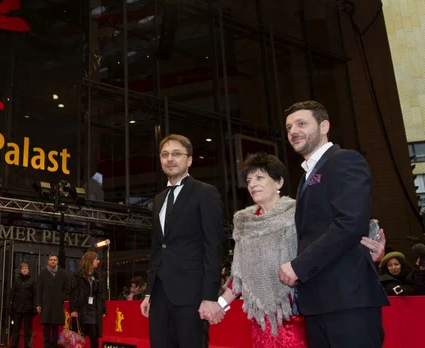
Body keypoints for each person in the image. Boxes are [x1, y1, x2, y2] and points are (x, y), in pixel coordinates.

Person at [218, 153, 386, 347]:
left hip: (298, 311)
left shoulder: (299, 212)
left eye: (259, 177)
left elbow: (335, 238)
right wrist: (220, 304)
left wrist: (369, 250)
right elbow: (239, 276)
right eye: (249, 180)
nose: (252, 184)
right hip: (261, 320)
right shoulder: (244, 223)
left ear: (279, 182)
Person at [279, 100, 389, 347]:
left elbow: (350, 223)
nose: (293, 131)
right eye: (288, 127)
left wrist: (299, 266)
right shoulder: (307, 175)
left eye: (301, 123)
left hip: (347, 299)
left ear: (324, 126)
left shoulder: (343, 160)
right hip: (319, 301)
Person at [138, 134, 225, 348]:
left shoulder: (205, 193)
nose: (170, 159)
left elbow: (214, 247)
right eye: (165, 154)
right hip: (159, 294)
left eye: (176, 154)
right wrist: (149, 292)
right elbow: (158, 247)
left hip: (191, 294)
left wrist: (209, 296)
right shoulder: (158, 199)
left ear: (189, 160)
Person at [68, 251, 106, 348]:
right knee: (80, 338)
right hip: (81, 310)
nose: (98, 261)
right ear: (90, 260)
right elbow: (72, 293)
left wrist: (103, 309)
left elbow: (101, 294)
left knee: (94, 338)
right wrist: (73, 309)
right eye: (96, 259)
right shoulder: (78, 275)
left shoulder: (97, 276)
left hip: (94, 311)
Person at [35, 254, 70, 348]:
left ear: (57, 261)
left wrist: (61, 297)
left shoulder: (62, 273)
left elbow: (67, 288)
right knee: (46, 327)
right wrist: (38, 304)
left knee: (55, 328)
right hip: (46, 304)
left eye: (54, 260)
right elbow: (39, 289)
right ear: (48, 261)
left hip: (57, 305)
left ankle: (54, 346)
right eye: (51, 260)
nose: (53, 261)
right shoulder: (43, 273)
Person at [7, 263, 36, 348]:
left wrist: (34, 307)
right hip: (17, 309)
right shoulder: (16, 280)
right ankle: (14, 345)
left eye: (26, 268)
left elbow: (35, 295)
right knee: (16, 329)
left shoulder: (32, 281)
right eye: (23, 268)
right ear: (20, 270)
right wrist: (10, 306)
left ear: (28, 270)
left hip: (28, 309)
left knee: (27, 330)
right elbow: (11, 294)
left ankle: (28, 346)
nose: (24, 269)